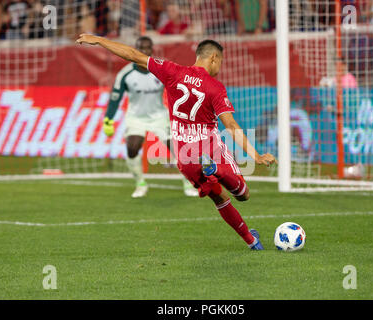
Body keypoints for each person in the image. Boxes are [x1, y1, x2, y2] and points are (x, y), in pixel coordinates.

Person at [76, 34, 277, 250]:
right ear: (214, 58)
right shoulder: (215, 87)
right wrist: (255, 155)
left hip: (185, 156)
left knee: (219, 199)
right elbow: (231, 125)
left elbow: (134, 56)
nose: (220, 66)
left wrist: (99, 40)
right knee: (243, 195)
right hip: (209, 148)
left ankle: (251, 240)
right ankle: (217, 169)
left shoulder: (172, 71)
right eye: (220, 62)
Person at [103, 36, 198, 198]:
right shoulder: (125, 74)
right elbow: (115, 97)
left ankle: (188, 182)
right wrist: (108, 119)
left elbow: (179, 88)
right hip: (136, 117)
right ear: (135, 49)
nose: (144, 51)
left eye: (147, 48)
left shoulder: (161, 69)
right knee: (132, 148)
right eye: (140, 48)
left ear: (152, 50)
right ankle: (140, 183)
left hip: (159, 116)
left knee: (177, 148)